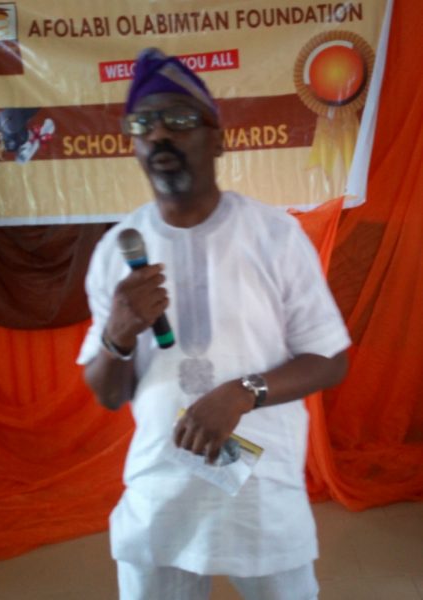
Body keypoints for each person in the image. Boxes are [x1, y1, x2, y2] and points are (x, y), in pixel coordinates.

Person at [77, 47, 351, 600]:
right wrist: (118, 334)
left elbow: (330, 357)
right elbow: (108, 394)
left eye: (179, 119)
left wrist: (243, 392)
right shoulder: (115, 250)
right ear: (133, 145)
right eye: (143, 124)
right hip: (160, 491)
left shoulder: (274, 235)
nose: (159, 135)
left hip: (262, 490)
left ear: (218, 139)